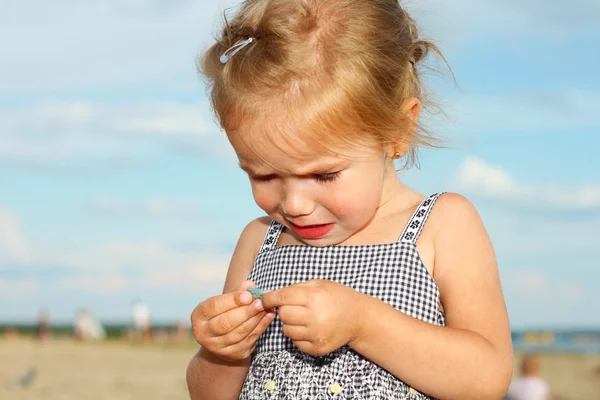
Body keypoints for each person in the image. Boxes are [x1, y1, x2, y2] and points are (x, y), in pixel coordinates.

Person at [187, 1, 513, 399]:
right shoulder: (260, 241)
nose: (295, 205)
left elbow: (487, 380)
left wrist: (364, 324)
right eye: (264, 175)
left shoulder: (441, 225)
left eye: (323, 174)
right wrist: (220, 352)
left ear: (398, 130)